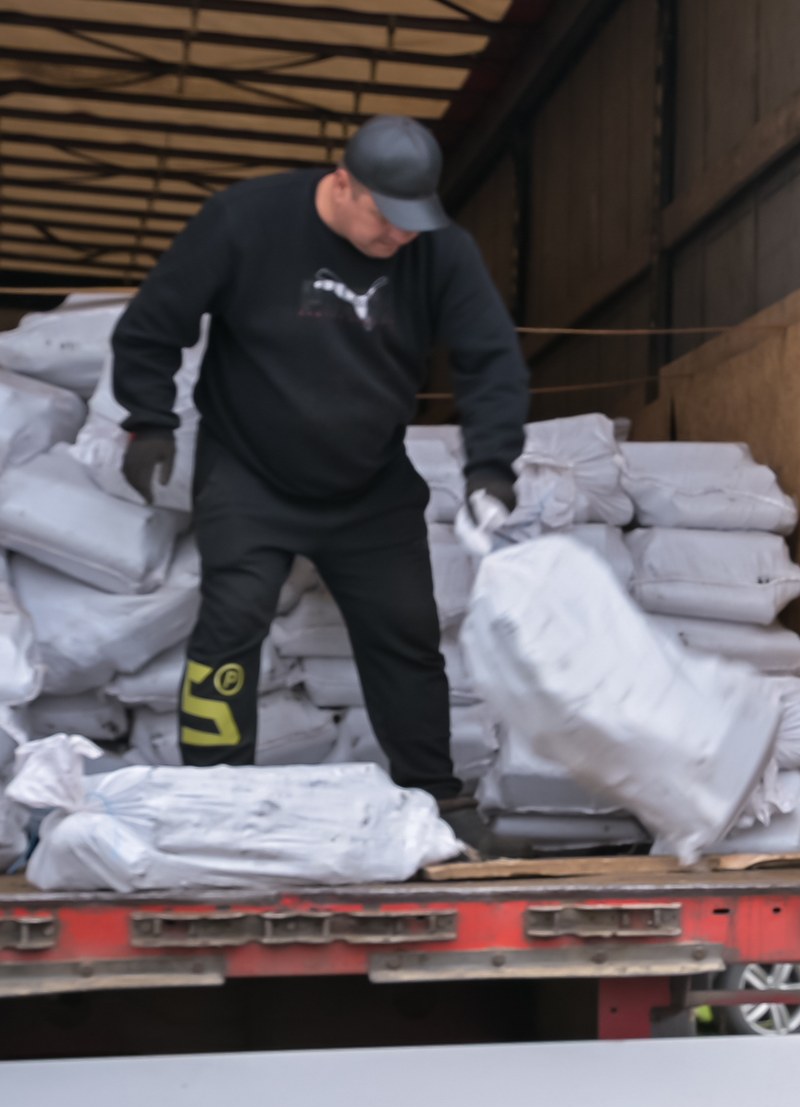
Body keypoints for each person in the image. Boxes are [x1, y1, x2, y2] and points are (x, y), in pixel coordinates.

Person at [112, 115, 526, 852]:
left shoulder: (441, 252)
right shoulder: (244, 220)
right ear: (343, 183)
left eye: (413, 223)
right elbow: (153, 325)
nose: (400, 237)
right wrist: (149, 421)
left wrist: (491, 465)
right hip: (250, 470)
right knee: (229, 627)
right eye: (387, 219)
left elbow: (488, 359)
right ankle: (214, 792)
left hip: (369, 482)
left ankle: (435, 796)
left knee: (406, 634)